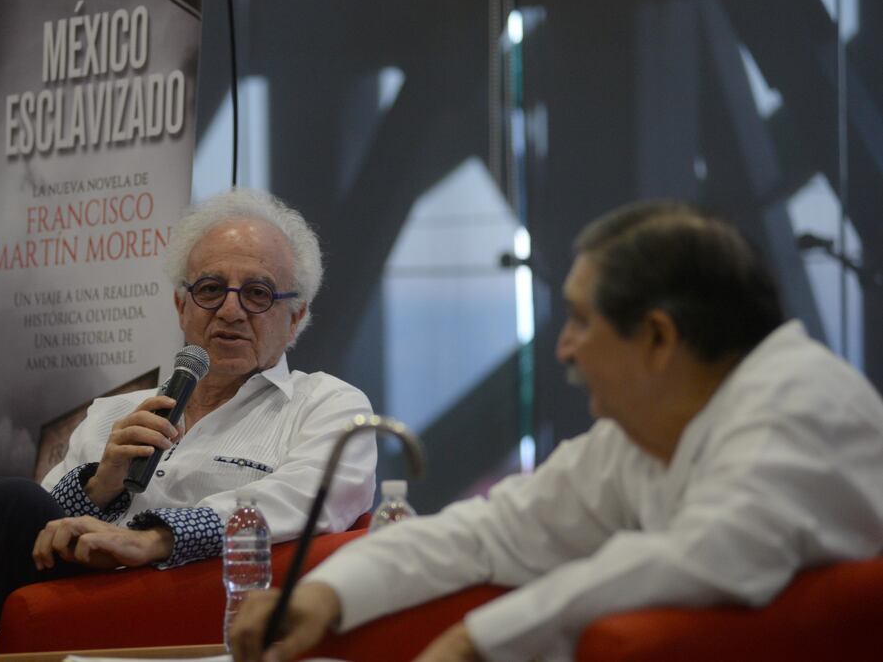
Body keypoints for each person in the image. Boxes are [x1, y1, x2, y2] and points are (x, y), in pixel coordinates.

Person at [229, 200, 883, 662]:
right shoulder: (651, 430)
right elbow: (494, 528)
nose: (563, 348)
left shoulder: (797, 406)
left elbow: (699, 555)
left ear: (657, 337)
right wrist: (324, 592)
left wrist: (475, 641)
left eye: (578, 320)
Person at [0, 189, 376, 661]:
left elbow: (311, 498)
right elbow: (45, 531)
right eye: (209, 290)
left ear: (295, 315)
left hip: (168, 613)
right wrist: (99, 485)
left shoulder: (325, 403)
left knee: (8, 505)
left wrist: (157, 536)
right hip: (53, 609)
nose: (229, 310)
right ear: (182, 307)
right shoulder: (112, 414)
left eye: (256, 294)